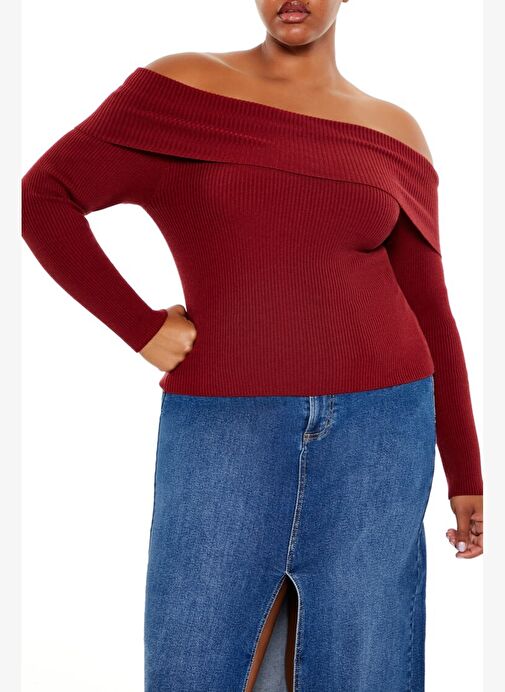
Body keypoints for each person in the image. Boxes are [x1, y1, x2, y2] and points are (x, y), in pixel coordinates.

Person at [21, 1, 484, 690]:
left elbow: (430, 309)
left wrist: (465, 471)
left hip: (384, 429)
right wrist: (139, 326)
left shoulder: (393, 128)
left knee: (365, 665)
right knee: (197, 659)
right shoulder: (181, 87)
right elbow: (44, 196)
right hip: (225, 425)